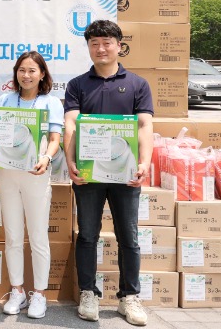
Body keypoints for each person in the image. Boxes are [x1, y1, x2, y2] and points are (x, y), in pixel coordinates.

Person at [63, 20, 153, 326]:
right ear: (88, 47)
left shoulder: (138, 84)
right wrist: (70, 160)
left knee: (129, 235)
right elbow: (71, 124)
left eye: (106, 42)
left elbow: (144, 126)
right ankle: (88, 293)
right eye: (94, 44)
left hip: (126, 174)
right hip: (89, 174)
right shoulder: (77, 84)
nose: (100, 49)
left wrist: (144, 162)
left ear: (118, 45)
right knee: (87, 234)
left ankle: (129, 297)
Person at [0, 51, 64, 319]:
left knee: (38, 236)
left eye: (32, 71)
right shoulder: (5, 99)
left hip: (35, 174)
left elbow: (54, 138)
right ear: (16, 73)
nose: (26, 75)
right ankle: (17, 290)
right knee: (13, 235)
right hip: (7, 173)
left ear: (42, 75)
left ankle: (39, 294)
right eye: (22, 70)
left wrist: (47, 158)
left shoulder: (51, 103)